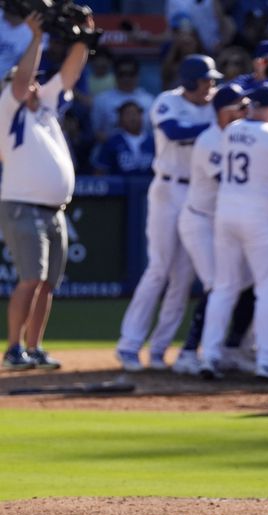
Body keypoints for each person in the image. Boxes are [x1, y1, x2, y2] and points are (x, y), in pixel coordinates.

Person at [115, 54, 220, 372]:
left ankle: (159, 348)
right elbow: (174, 131)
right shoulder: (167, 101)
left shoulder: (215, 104)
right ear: (189, 80)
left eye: (212, 81)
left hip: (199, 193)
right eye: (205, 80)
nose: (210, 86)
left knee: (183, 279)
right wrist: (216, 125)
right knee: (158, 269)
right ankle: (129, 345)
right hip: (168, 189)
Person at [0, 13, 91, 371]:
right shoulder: (8, 110)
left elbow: (69, 74)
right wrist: (35, 38)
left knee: (47, 284)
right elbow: (20, 82)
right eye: (27, 81)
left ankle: (34, 347)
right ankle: (13, 348)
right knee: (30, 280)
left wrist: (83, 38)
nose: (34, 85)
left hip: (54, 209)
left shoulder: (46, 109)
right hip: (23, 205)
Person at [198, 82, 268, 382]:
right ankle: (267, 360)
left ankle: (211, 356)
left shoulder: (232, 130)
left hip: (226, 212)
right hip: (260, 217)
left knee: (224, 286)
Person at [173, 83, 250, 375]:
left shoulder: (240, 137)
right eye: (239, 108)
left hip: (222, 221)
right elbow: (230, 182)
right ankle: (189, 352)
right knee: (216, 285)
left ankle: (231, 347)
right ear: (223, 111)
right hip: (200, 220)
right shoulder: (209, 140)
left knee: (246, 284)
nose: (245, 113)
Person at [91, 55, 154, 144]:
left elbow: (152, 132)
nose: (126, 78)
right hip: (110, 149)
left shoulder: (149, 101)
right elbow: (96, 132)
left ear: (137, 75)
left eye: (131, 74)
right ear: (115, 75)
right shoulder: (101, 100)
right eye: (122, 74)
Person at [93, 101, 156, 177]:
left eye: (135, 114)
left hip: (148, 186)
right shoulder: (112, 142)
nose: (132, 118)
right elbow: (100, 170)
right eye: (128, 114)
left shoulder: (153, 141)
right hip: (120, 187)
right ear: (120, 118)